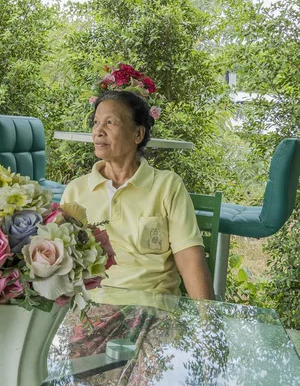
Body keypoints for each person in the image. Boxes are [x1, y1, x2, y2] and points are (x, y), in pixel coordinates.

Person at [61, 88, 215, 301]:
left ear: (138, 134)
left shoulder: (167, 186)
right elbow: (63, 264)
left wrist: (209, 325)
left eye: (110, 123)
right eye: (96, 122)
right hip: (92, 309)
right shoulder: (76, 190)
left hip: (154, 308)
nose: (98, 131)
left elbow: (190, 259)